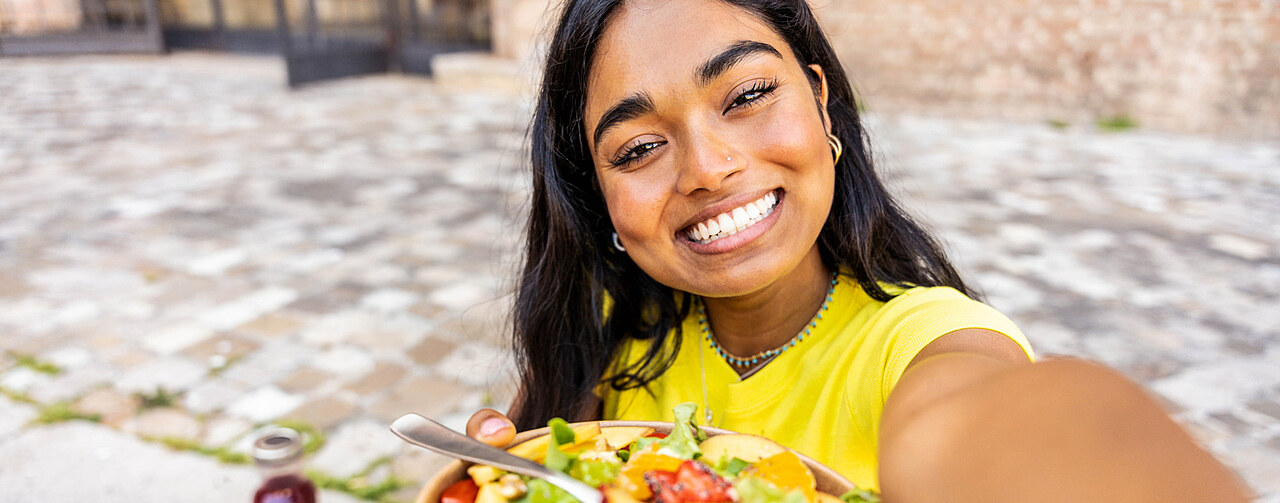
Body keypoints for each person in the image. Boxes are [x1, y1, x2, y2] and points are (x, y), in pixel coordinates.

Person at [462, 0, 1250, 500]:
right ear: (595, 197)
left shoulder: (923, 346)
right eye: (637, 149)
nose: (709, 169)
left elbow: (999, 430)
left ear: (820, 100)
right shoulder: (607, 330)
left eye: (746, 96)